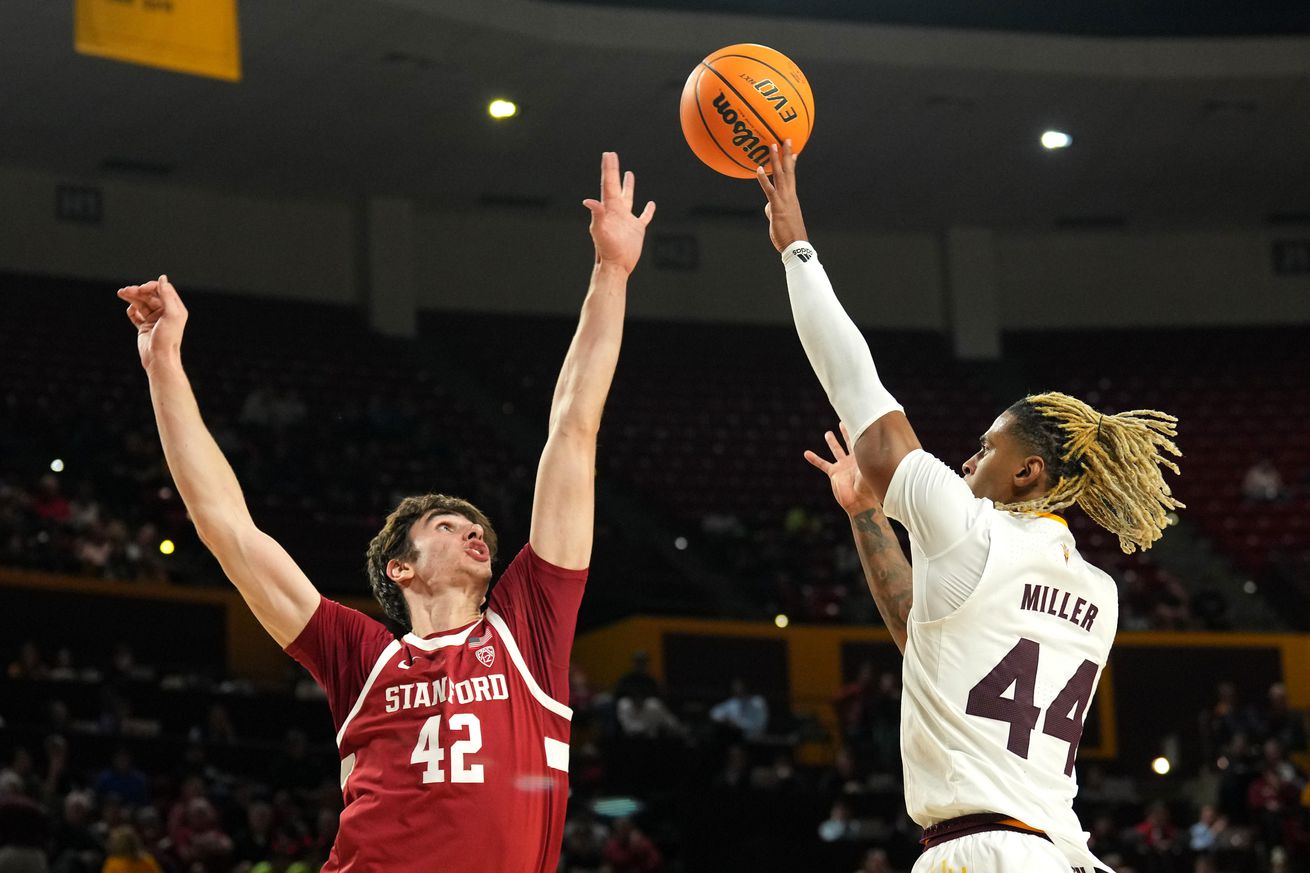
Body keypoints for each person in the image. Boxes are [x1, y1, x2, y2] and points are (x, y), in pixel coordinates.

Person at [117, 151, 655, 873]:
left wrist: (611, 273)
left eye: (478, 529)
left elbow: (572, 427)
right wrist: (164, 364)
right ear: (400, 568)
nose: (473, 530)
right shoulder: (363, 657)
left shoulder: (530, 623)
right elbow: (227, 527)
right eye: (448, 525)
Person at [761, 138, 1183, 873]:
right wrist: (865, 514)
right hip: (1061, 852)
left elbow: (855, 384)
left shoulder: (966, 525)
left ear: (1028, 471)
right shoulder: (1102, 592)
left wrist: (797, 247)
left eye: (986, 448)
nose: (966, 459)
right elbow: (929, 640)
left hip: (983, 852)